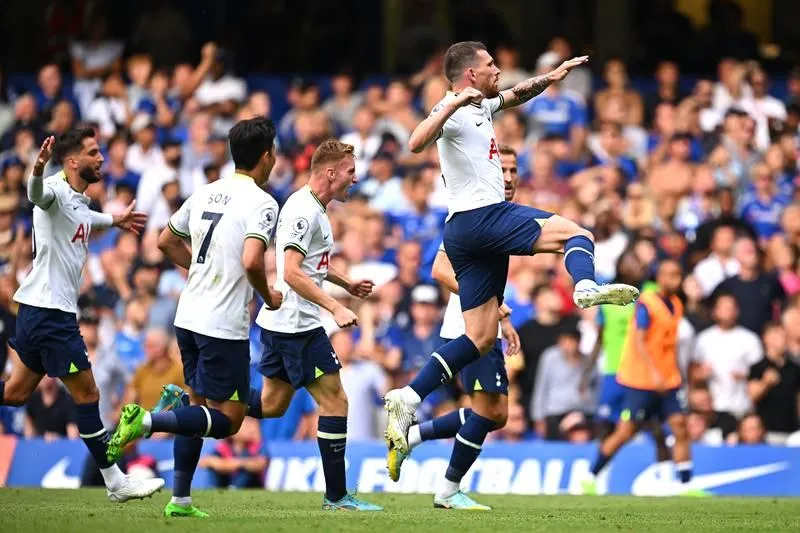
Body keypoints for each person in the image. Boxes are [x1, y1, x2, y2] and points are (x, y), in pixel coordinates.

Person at [384, 40, 639, 457]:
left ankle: (409, 397)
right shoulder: (453, 106)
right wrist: (449, 105)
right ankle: (585, 286)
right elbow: (415, 143)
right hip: (483, 218)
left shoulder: (481, 105)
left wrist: (552, 79)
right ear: (469, 74)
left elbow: (517, 94)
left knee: (481, 337)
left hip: (462, 233)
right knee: (578, 234)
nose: (498, 70)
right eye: (489, 65)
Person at [106, 117, 283, 518]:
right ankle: (148, 421)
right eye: (273, 151)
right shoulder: (263, 202)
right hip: (221, 325)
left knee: (196, 406)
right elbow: (253, 259)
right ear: (266, 156)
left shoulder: (205, 192)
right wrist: (267, 294)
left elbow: (165, 240)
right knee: (228, 421)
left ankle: (181, 500)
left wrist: (198, 270)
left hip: (188, 316)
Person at [0, 128, 162, 502]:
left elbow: (85, 217)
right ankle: (116, 482)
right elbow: (36, 195)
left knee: (16, 392)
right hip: (51, 315)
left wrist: (115, 220)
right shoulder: (54, 190)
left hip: (38, 310)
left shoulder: (77, 198)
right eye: (93, 152)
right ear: (73, 161)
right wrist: (37, 168)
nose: (101, 157)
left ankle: (115, 481)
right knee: (88, 394)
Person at [243, 140, 382, 511]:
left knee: (271, 405)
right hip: (297, 326)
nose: (356, 177)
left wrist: (346, 283)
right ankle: (336, 496)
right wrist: (335, 307)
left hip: (281, 323)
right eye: (351, 171)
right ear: (330, 172)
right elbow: (289, 272)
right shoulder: (303, 210)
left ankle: (201, 397)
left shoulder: (316, 208)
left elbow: (311, 265)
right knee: (335, 401)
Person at [386, 144, 522, 510]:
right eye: (502, 170)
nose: (508, 178)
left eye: (513, 171)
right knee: (488, 413)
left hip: (481, 323)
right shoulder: (473, 210)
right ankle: (447, 489)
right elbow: (440, 271)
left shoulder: (497, 212)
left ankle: (413, 436)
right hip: (469, 327)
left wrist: (499, 313)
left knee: (496, 413)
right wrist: (493, 304)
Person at [583, 259, 707, 496]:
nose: (674, 279)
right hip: (641, 380)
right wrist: (654, 373)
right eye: (669, 274)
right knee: (626, 431)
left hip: (669, 379)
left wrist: (678, 376)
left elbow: (671, 346)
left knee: (680, 427)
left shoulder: (677, 304)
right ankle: (590, 476)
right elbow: (639, 340)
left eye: (677, 274)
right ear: (658, 278)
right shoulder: (646, 304)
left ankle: (686, 484)